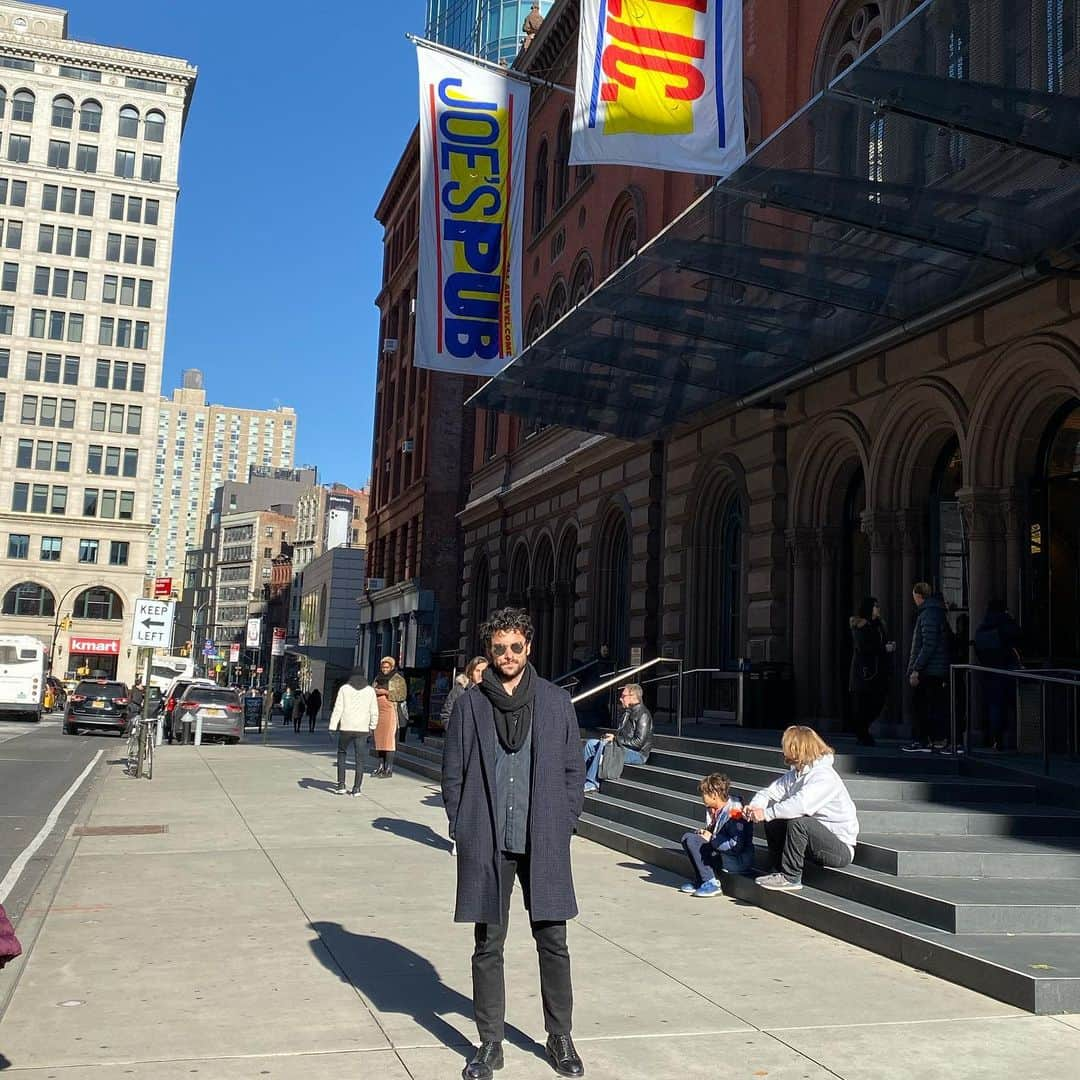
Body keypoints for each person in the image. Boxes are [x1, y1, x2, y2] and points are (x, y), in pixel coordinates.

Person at [442, 608, 585, 1080]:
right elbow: (453, 772)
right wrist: (461, 824)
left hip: (542, 835)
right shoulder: (470, 704)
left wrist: (564, 822)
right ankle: (490, 1043)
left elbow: (572, 772)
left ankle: (560, 1036)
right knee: (488, 942)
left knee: (554, 940)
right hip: (487, 839)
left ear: (529, 647)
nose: (507, 655)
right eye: (499, 648)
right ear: (489, 651)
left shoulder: (555, 702)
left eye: (515, 647)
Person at [746, 725, 859, 892]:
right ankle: (778, 870)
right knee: (776, 821)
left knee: (799, 822)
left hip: (839, 848)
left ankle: (791, 878)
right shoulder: (796, 774)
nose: (783, 752)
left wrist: (767, 813)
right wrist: (756, 807)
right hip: (814, 842)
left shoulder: (824, 776)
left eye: (786, 747)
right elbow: (768, 792)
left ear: (797, 748)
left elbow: (801, 804)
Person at [679, 773, 754, 897]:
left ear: (714, 795)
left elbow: (735, 846)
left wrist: (711, 838)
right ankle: (702, 880)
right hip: (723, 854)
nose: (701, 798)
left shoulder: (734, 813)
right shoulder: (715, 810)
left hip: (737, 861)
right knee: (688, 838)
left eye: (703, 794)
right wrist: (706, 833)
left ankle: (711, 883)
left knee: (693, 841)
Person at [903, 582, 952, 753]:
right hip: (934, 669)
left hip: (930, 670)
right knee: (930, 705)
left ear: (918, 596)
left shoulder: (928, 614)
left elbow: (928, 644)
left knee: (922, 706)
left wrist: (916, 668)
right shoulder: (934, 612)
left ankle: (924, 740)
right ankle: (930, 739)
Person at [582, 682, 652, 793]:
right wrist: (613, 738)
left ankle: (592, 783)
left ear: (633, 697)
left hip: (637, 754)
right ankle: (578, 777)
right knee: (591, 744)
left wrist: (615, 739)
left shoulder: (643, 715)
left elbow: (638, 742)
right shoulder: (626, 713)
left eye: (623, 696)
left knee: (604, 746)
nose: (620, 699)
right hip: (622, 747)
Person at [974, 598, 1022, 751]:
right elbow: (1019, 637)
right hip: (1008, 669)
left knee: (995, 706)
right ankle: (1016, 738)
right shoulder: (1006, 622)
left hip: (990, 671)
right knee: (1015, 705)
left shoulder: (984, 625)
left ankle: (996, 739)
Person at [848, 597, 895, 746]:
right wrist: (884, 649)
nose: (878, 609)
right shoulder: (860, 626)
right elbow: (863, 647)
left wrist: (888, 646)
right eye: (875, 606)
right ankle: (862, 733)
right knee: (864, 703)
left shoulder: (880, 625)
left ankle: (863, 731)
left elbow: (880, 642)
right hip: (864, 671)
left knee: (878, 701)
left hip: (879, 670)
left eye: (878, 606)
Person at [327, 670, 379, 796]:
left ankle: (341, 785)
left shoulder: (344, 689)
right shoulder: (370, 690)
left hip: (346, 727)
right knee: (359, 759)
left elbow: (338, 708)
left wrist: (332, 726)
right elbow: (374, 710)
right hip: (362, 728)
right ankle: (357, 788)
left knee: (342, 754)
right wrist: (372, 726)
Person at [373, 656, 407, 777]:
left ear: (392, 667)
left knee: (389, 741)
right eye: (383, 667)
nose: (384, 669)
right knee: (379, 740)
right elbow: (372, 689)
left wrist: (385, 692)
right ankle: (380, 766)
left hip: (391, 712)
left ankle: (389, 768)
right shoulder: (377, 678)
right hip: (378, 712)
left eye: (387, 667)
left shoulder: (397, 678)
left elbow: (401, 695)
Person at [440, 656, 487, 730]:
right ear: (471, 673)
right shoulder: (459, 690)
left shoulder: (491, 692)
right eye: (477, 671)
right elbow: (446, 716)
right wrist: (456, 734)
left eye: (484, 671)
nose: (481, 674)